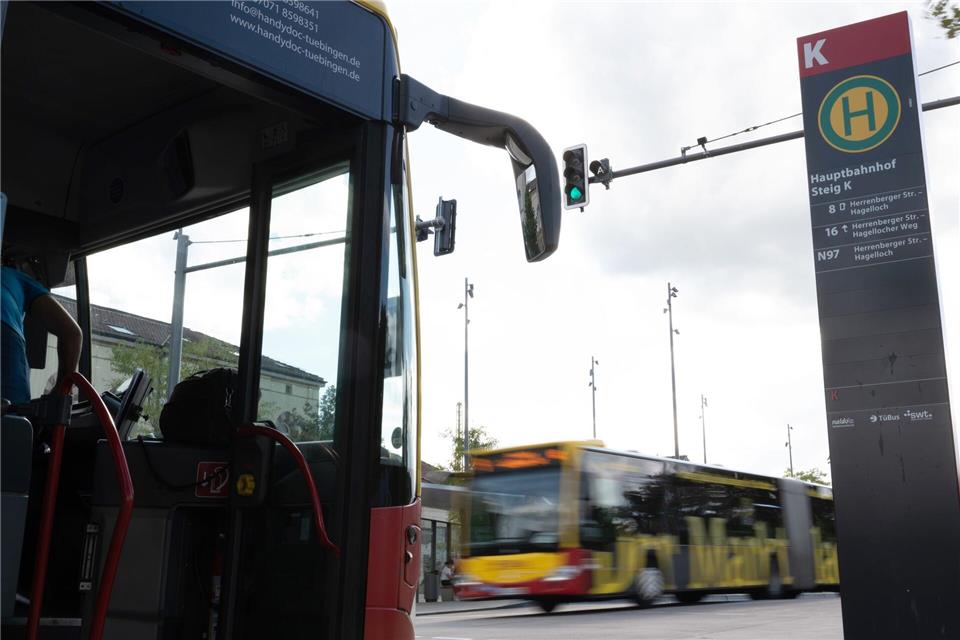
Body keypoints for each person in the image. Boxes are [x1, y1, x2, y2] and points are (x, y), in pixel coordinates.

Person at [1, 262, 82, 404]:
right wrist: (61, 391)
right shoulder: (15, 276)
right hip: (5, 328)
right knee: (11, 419)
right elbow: (72, 333)